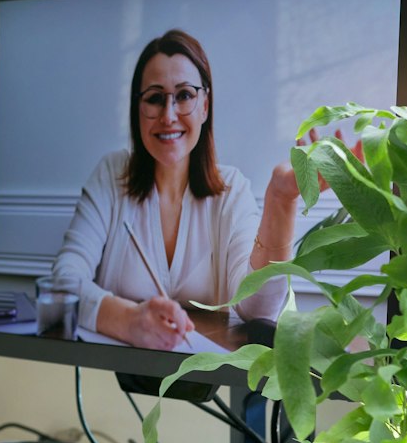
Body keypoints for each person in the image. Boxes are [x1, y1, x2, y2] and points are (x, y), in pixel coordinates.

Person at [52, 29, 300, 350]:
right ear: (137, 110)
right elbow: (62, 284)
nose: (168, 116)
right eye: (155, 98)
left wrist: (281, 201)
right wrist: (129, 321)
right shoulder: (110, 176)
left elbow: (259, 309)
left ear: (205, 105)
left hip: (209, 379)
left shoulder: (232, 191)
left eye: (184, 95)